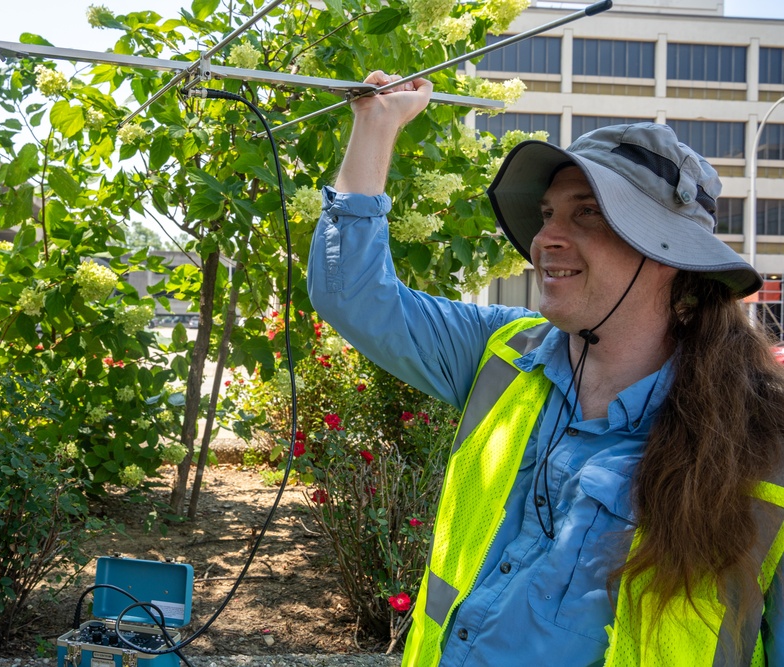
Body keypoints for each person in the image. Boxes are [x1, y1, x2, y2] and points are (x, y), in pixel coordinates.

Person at [306, 70, 784, 666]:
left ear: (669, 256)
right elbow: (350, 292)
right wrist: (375, 127)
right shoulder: (503, 355)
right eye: (547, 212)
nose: (544, 239)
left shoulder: (763, 446)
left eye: (587, 214)